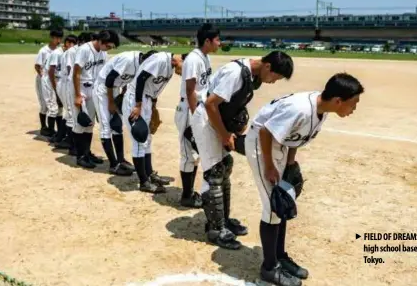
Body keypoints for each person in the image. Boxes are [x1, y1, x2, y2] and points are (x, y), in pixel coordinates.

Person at [244, 73, 364, 286]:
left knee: (283, 203)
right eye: (353, 104)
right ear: (338, 101)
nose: (354, 109)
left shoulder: (322, 110)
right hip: (261, 145)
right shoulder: (300, 108)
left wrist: (290, 162)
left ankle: (279, 257)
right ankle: (269, 268)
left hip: (277, 145)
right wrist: (270, 166)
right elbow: (265, 132)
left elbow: (293, 136)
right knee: (273, 207)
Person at [190, 51, 294, 250]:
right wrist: (223, 134)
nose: (273, 82)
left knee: (225, 166)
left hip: (217, 120)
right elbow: (211, 104)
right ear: (268, 67)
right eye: (276, 77)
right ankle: (215, 229)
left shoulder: (251, 73)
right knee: (214, 172)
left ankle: (223, 220)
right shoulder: (235, 73)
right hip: (206, 120)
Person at [123, 51, 187, 193]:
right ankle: (143, 182)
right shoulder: (160, 59)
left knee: (147, 139)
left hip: (147, 101)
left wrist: (152, 108)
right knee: (139, 141)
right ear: (181, 60)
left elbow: (154, 89)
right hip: (135, 100)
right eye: (184, 69)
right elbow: (141, 79)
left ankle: (149, 174)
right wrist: (138, 105)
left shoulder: (170, 68)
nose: (183, 74)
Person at [174, 23, 220, 208]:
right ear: (207, 41)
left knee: (195, 154)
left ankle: (190, 192)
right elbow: (190, 89)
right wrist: (195, 118)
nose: (219, 43)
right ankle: (186, 196)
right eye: (217, 39)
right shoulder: (194, 59)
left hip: (197, 109)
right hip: (188, 110)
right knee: (189, 155)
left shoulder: (204, 57)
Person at [92, 50, 155, 176]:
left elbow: (130, 82)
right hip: (103, 89)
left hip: (115, 89)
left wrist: (121, 95)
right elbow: (109, 79)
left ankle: (120, 160)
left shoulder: (142, 65)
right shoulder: (128, 60)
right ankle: (113, 165)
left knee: (117, 126)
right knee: (106, 127)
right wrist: (111, 102)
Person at [72, 30, 119, 168]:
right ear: (100, 41)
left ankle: (86, 153)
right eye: (108, 46)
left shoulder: (103, 53)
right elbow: (76, 73)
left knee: (90, 123)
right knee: (81, 122)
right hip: (80, 87)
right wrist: (77, 95)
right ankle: (80, 156)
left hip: (93, 88)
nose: (109, 49)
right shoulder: (84, 50)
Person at [59, 32, 93, 155]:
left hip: (77, 83)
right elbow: (70, 70)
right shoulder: (73, 51)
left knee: (78, 118)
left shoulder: (84, 51)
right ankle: (72, 145)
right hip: (69, 83)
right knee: (72, 117)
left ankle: (79, 148)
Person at [44, 34, 78, 148]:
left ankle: (59, 135)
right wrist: (55, 89)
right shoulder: (57, 53)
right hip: (56, 82)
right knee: (62, 110)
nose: (73, 46)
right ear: (67, 43)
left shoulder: (66, 53)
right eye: (71, 43)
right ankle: (55, 134)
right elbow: (51, 71)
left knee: (65, 111)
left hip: (61, 82)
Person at [34, 29, 63, 137]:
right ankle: (44, 127)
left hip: (55, 79)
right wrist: (44, 79)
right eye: (56, 38)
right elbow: (37, 66)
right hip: (44, 79)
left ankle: (58, 130)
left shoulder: (60, 50)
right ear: (51, 37)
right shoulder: (44, 50)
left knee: (58, 104)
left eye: (60, 38)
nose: (58, 40)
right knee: (45, 105)